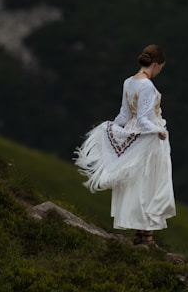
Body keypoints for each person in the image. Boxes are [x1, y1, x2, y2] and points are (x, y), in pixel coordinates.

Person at [74, 44, 175, 246]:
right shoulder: (147, 86)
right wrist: (159, 131)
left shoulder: (129, 82)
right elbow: (145, 119)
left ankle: (142, 234)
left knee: (137, 184)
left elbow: (124, 115)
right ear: (156, 64)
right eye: (160, 67)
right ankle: (146, 236)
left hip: (134, 133)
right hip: (148, 139)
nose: (159, 71)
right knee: (149, 184)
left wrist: (114, 129)